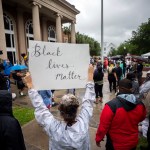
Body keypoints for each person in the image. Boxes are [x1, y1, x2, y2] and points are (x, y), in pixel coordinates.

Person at [24, 65, 95, 150]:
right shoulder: (83, 123)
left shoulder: (54, 128)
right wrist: (90, 76)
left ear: (61, 112)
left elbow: (40, 108)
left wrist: (30, 85)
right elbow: (88, 101)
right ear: (77, 109)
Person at [95, 78, 146, 150]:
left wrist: (98, 138)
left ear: (120, 88)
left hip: (115, 144)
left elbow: (103, 126)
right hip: (132, 143)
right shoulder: (140, 104)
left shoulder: (111, 105)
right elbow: (142, 117)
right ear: (131, 89)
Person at [139, 70, 150, 150]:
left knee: (145, 121)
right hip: (146, 102)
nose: (147, 75)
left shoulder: (148, 83)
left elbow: (142, 91)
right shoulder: (147, 82)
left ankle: (145, 137)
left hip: (147, 103)